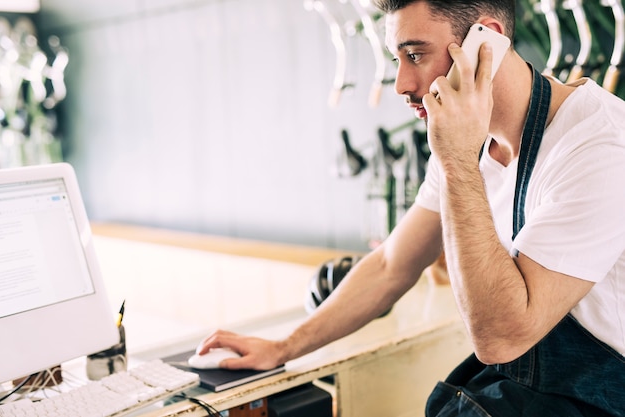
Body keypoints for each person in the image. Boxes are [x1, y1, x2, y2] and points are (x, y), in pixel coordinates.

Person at [197, 0, 625, 415]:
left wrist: (457, 160)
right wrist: (284, 346)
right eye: (397, 59)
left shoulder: (599, 146)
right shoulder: (463, 140)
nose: (401, 83)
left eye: (415, 55)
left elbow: (502, 339)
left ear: (486, 44)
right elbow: (391, 265)